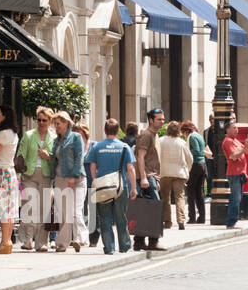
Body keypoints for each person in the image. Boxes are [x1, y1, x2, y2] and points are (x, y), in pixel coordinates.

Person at [85, 120, 138, 255]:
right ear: (117, 130)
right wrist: (133, 188)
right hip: (120, 186)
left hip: (103, 187)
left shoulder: (97, 147)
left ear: (105, 130)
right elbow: (130, 169)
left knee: (105, 218)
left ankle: (109, 247)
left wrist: (96, 181)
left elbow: (92, 167)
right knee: (121, 216)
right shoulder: (124, 147)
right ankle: (125, 245)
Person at [16, 106, 57, 251]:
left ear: (50, 121)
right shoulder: (28, 136)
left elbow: (57, 159)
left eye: (44, 120)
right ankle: (27, 240)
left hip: (46, 175)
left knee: (44, 209)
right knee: (29, 206)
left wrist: (48, 157)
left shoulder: (54, 138)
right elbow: (20, 156)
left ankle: (41, 243)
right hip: (29, 175)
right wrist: (18, 177)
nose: (40, 122)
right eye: (38, 119)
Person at [0, 105, 21, 254]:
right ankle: (6, 241)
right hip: (10, 172)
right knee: (10, 207)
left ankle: (5, 241)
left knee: (3, 207)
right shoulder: (13, 134)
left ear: (5, 116)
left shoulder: (2, 135)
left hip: (1, 173)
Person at [52, 112, 87, 252]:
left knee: (75, 211)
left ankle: (80, 238)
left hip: (77, 179)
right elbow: (56, 159)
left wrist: (74, 176)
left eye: (58, 123)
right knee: (63, 213)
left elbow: (79, 157)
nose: (56, 126)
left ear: (66, 123)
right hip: (60, 179)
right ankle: (62, 243)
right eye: (55, 124)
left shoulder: (76, 137)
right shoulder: (56, 140)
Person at [132, 107, 166, 252]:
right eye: (159, 119)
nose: (162, 121)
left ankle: (139, 241)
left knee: (145, 209)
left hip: (152, 177)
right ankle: (153, 241)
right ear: (151, 120)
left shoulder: (155, 135)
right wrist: (144, 178)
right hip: (146, 177)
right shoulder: (146, 135)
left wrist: (157, 180)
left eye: (163, 119)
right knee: (154, 209)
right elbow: (140, 157)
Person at [157, 121, 193, 231]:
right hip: (179, 173)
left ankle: (167, 222)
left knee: (165, 197)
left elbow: (156, 156)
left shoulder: (161, 141)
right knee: (179, 196)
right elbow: (190, 158)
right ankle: (181, 220)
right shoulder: (181, 142)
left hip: (164, 172)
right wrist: (187, 169)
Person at [223, 122, 248, 228]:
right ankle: (231, 222)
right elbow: (233, 156)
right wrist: (244, 148)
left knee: (238, 198)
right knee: (235, 198)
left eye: (237, 128)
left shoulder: (235, 141)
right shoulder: (227, 141)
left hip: (240, 173)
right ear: (227, 130)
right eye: (234, 128)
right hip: (234, 173)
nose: (237, 130)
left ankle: (233, 220)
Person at [182, 120, 208, 224]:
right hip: (202, 165)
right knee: (199, 192)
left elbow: (196, 150)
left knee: (191, 192)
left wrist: (186, 152)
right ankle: (202, 217)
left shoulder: (192, 137)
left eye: (183, 132)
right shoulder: (199, 136)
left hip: (195, 165)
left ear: (186, 130)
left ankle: (191, 217)